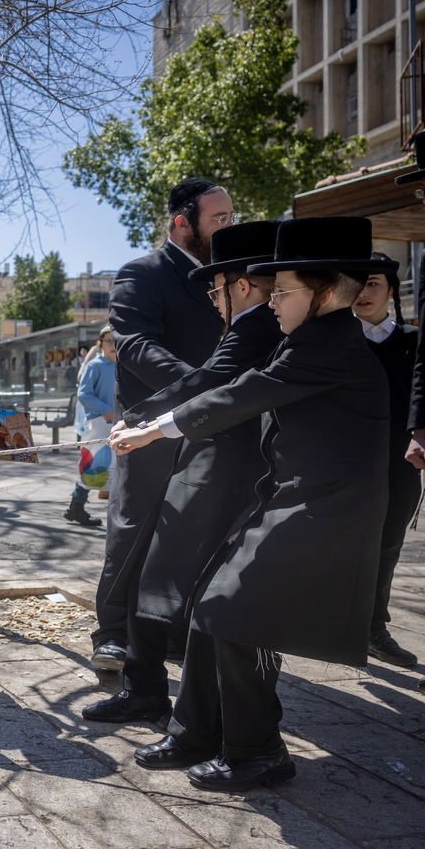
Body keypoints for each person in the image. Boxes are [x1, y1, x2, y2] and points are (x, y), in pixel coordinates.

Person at [113, 216, 388, 791]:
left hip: (325, 509)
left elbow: (243, 393)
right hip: (288, 498)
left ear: (326, 291)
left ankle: (257, 750)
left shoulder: (330, 342)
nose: (272, 301)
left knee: (234, 610)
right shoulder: (310, 337)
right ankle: (197, 733)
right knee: (211, 605)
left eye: (283, 291)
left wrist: (154, 428)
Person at [82, 220, 282, 725]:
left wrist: (143, 423)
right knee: (183, 585)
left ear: (241, 287)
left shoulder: (257, 326)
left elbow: (212, 383)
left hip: (226, 470)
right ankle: (184, 703)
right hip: (228, 465)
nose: (213, 303)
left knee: (163, 581)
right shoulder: (266, 324)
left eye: (216, 290)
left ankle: (177, 705)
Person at [90, 178, 231, 671]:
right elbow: (135, 345)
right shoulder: (142, 273)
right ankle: (111, 633)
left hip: (214, 420)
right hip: (148, 424)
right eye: (218, 218)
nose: (228, 226)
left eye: (231, 217)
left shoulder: (230, 277)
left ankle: (170, 629)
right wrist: (203, 387)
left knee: (194, 528)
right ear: (181, 222)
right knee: (134, 528)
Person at [353, 253, 419, 668]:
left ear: (391, 289)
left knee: (388, 544)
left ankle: (374, 629)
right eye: (357, 283)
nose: (363, 292)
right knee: (341, 542)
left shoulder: (413, 341)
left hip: (400, 463)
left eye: (373, 283)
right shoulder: (338, 340)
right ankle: (335, 626)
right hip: (348, 461)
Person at [66, 326, 116, 528]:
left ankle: (78, 509)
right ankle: (76, 507)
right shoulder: (95, 365)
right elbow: (84, 394)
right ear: (100, 343)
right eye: (109, 341)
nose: (113, 345)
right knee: (93, 466)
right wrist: (106, 410)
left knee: (117, 467)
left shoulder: (124, 366)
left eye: (117, 341)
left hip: (118, 423)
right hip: (99, 423)